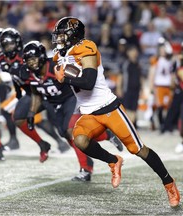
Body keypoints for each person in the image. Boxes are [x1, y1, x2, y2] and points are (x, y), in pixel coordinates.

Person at [52, 16, 180, 207]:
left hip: (108, 107)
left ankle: (169, 184)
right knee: (79, 140)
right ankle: (113, 161)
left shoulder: (87, 48)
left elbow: (88, 81)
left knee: (138, 150)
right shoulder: (60, 55)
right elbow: (58, 75)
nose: (59, 39)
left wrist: (65, 78)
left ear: (74, 35)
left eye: (63, 35)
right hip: (89, 112)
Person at [23, 41, 123, 181]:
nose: (31, 63)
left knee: (71, 131)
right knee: (65, 134)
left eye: (33, 58)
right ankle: (106, 135)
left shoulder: (55, 65)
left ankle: (85, 169)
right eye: (28, 60)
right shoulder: (30, 74)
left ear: (41, 56)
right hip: (54, 104)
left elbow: (78, 77)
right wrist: (31, 113)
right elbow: (36, 94)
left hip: (71, 99)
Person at [0, 28, 70, 159]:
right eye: (5, 45)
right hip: (28, 92)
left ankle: (64, 143)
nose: (8, 48)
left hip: (42, 89)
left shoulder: (26, 55)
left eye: (10, 44)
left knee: (57, 124)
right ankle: (40, 143)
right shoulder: (2, 58)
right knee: (20, 117)